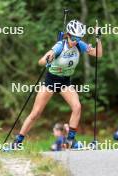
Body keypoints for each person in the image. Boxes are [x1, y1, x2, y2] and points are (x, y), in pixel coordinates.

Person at [9, 20, 102, 150]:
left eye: (79, 38)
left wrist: (98, 38)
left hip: (65, 82)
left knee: (77, 107)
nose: (76, 40)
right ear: (68, 35)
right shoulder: (59, 46)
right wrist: (48, 59)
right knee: (36, 113)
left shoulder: (79, 45)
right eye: (74, 37)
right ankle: (17, 142)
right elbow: (40, 61)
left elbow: (98, 54)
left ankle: (70, 140)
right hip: (50, 82)